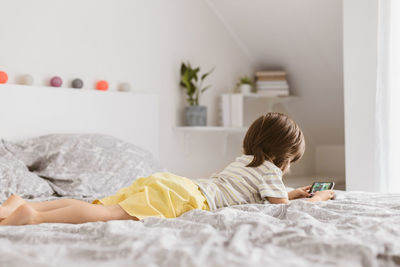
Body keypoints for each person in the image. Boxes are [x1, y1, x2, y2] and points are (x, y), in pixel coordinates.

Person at [0, 112, 334, 226]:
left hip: (173, 183)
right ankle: (35, 217)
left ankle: (24, 203)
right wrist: (314, 200)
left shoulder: (245, 162)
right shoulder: (270, 173)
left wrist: (290, 193)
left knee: (97, 206)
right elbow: (282, 212)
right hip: (185, 199)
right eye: (290, 161)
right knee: (110, 216)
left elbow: (257, 196)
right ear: (283, 157)